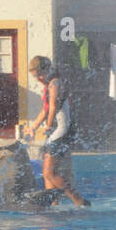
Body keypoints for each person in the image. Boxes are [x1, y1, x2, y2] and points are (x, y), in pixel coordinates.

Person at [24, 55, 89, 207]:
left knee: (49, 173)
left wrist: (48, 125)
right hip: (56, 131)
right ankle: (53, 203)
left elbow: (52, 106)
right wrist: (33, 127)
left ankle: (79, 201)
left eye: (40, 74)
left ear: (47, 69)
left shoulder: (55, 83)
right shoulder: (48, 85)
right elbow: (45, 110)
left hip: (61, 131)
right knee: (46, 172)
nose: (38, 78)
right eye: (35, 76)